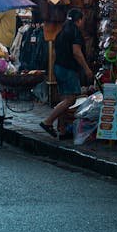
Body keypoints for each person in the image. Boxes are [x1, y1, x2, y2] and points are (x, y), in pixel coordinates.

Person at [39, 8, 93, 139]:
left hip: (59, 67)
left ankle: (62, 129)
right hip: (68, 69)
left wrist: (54, 69)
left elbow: (54, 53)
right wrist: (86, 68)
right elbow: (76, 52)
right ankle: (48, 121)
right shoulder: (75, 32)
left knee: (64, 98)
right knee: (70, 99)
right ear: (79, 20)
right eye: (82, 20)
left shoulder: (61, 32)